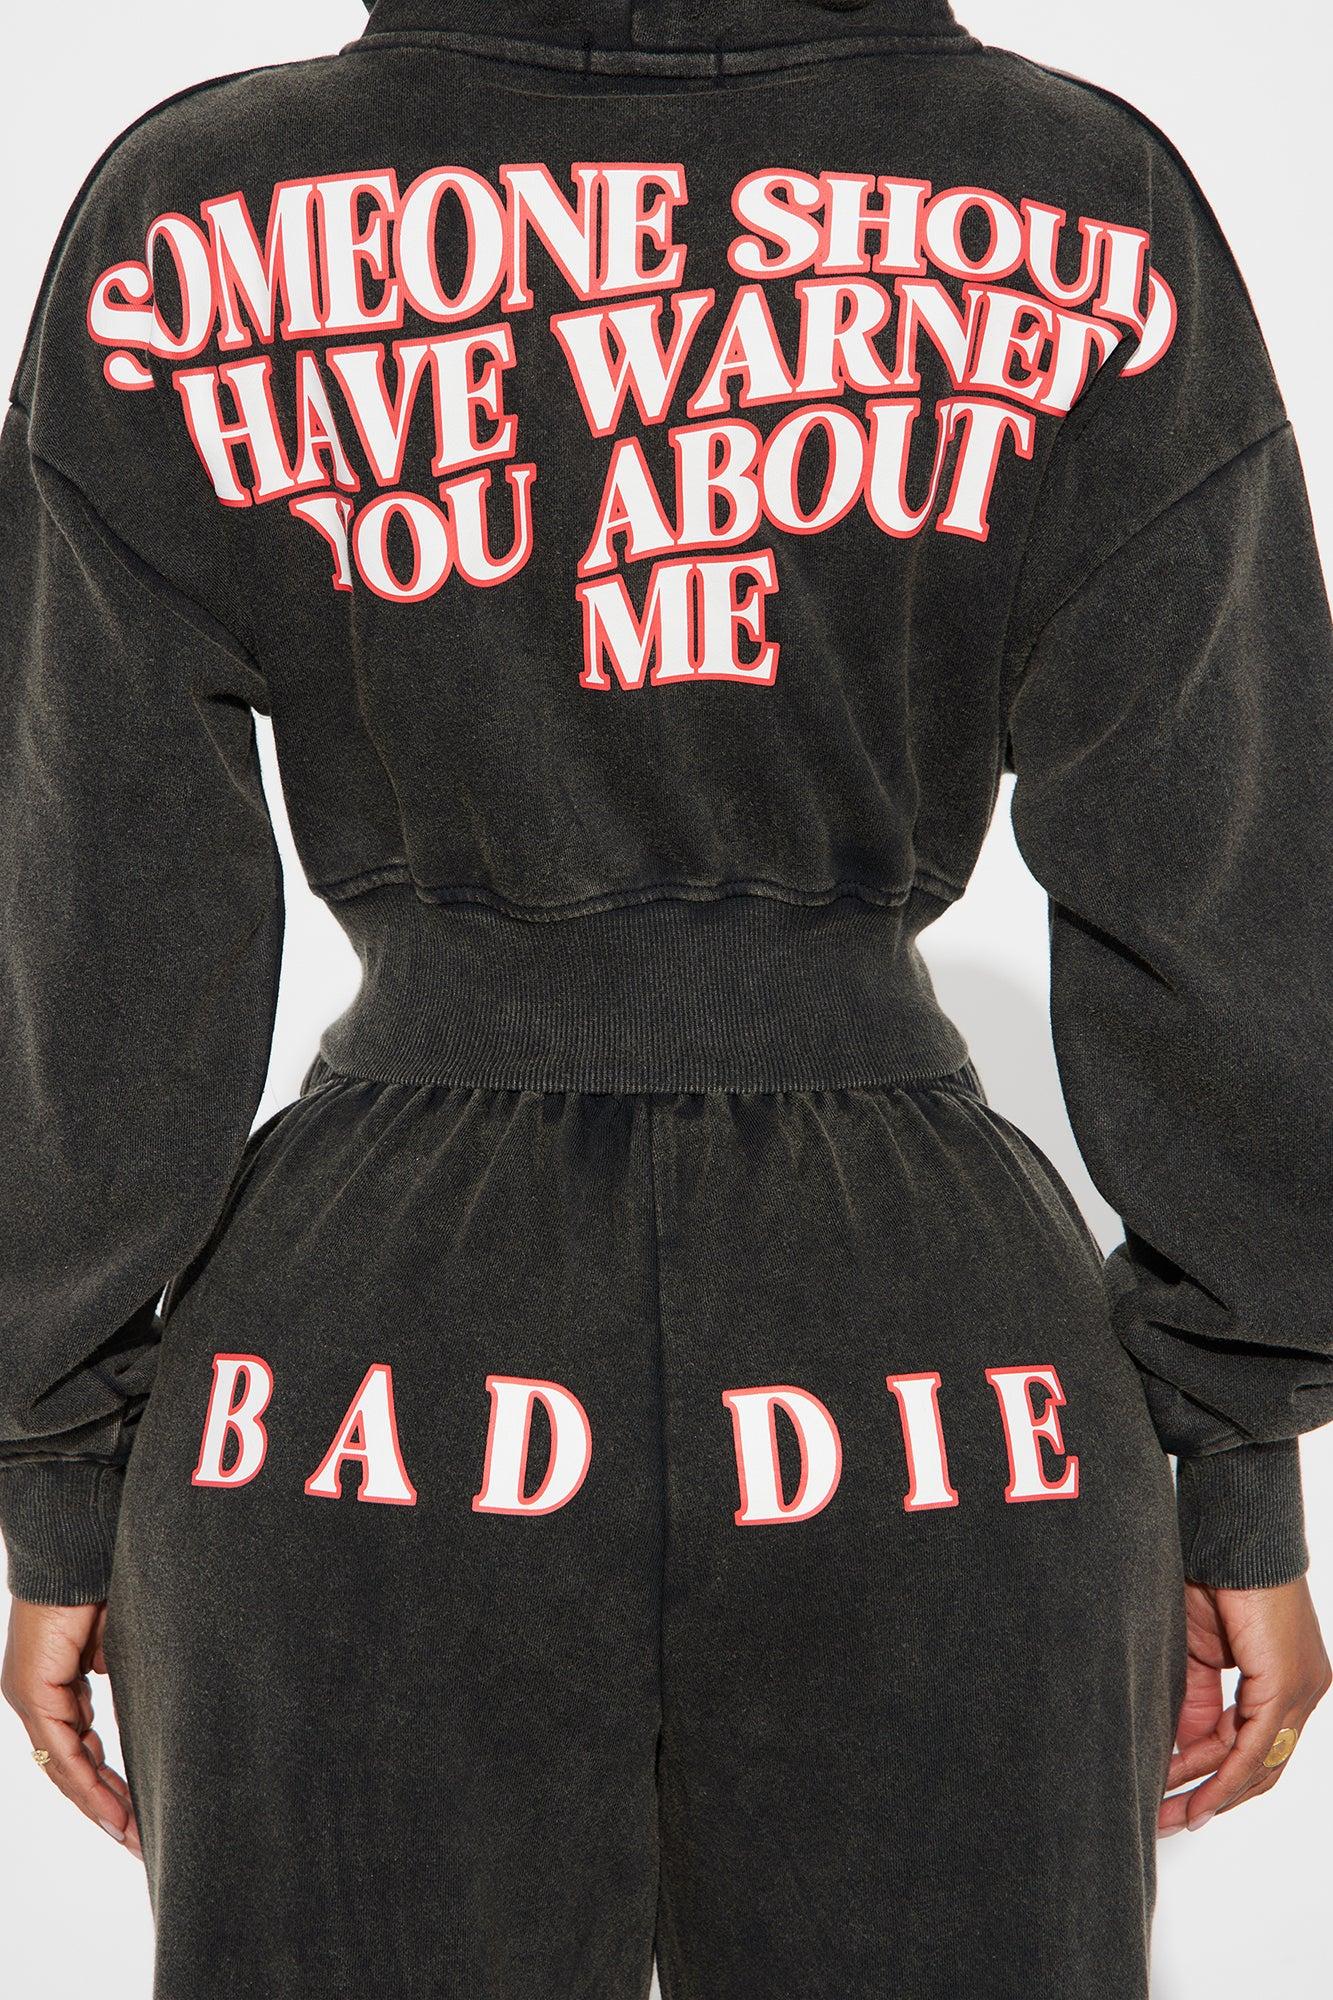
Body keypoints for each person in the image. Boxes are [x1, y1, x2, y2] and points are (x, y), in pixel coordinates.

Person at [2, 1, 1331, 1993]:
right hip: (936, 1377)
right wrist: (1234, 1464)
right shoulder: (1084, 197)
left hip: (357, 1378)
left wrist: (62, 1476)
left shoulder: (195, 209)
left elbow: (93, 909)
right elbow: (1225, 870)